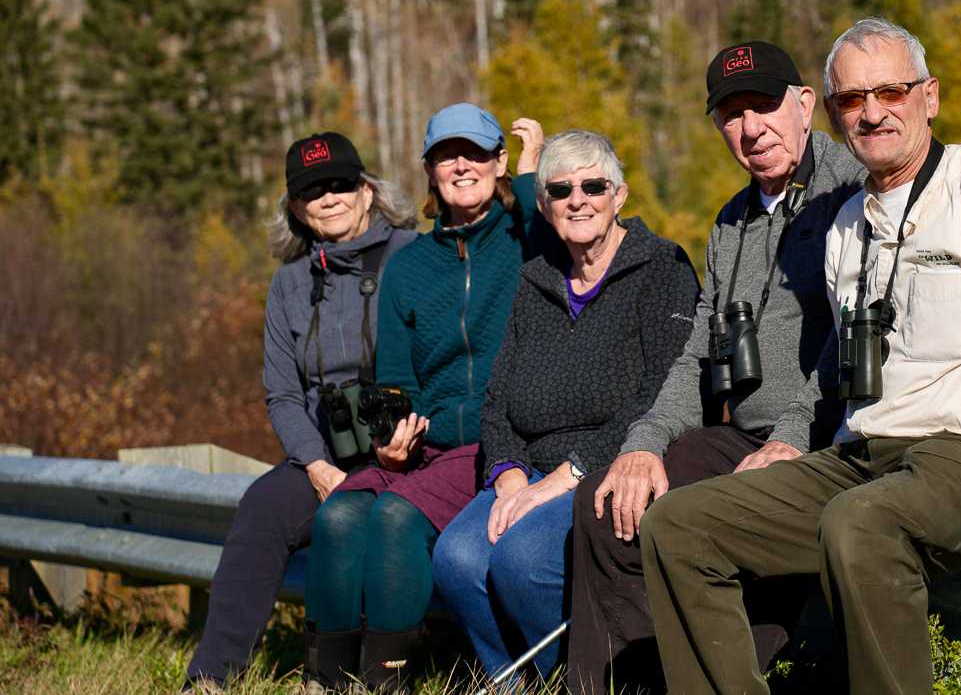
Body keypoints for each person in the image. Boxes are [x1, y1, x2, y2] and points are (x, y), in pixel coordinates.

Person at [639, 18, 961, 695]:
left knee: (859, 523)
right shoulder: (847, 226)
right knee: (679, 525)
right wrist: (792, 442)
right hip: (862, 457)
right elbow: (850, 360)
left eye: (890, 91)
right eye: (852, 99)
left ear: (928, 96)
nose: (871, 112)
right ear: (833, 115)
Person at [566, 42, 864, 694]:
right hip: (744, 435)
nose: (751, 128)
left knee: (715, 513)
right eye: (731, 114)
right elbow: (700, 352)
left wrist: (791, 436)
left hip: (825, 438)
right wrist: (644, 443)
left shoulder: (851, 190)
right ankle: (617, 684)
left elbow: (855, 340)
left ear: (805, 105)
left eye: (765, 104)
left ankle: (710, 677)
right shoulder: (731, 220)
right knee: (604, 499)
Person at [432, 130, 699, 685]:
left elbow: (663, 390)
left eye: (593, 185)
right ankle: (514, 681)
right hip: (528, 468)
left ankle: (583, 679)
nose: (578, 199)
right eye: (560, 189)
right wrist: (506, 475)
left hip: (611, 462)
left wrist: (563, 477)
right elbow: (499, 395)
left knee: (523, 561)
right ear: (544, 205)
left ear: (618, 195)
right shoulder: (536, 280)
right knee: (456, 557)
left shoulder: (661, 269)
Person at [301, 104, 552, 694]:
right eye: (445, 155)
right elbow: (392, 378)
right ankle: (326, 680)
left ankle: (387, 681)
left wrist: (529, 171)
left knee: (396, 517)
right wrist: (389, 440)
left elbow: (552, 223)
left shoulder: (525, 241)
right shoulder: (409, 267)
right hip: (425, 445)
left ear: (499, 161)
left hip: (495, 443)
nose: (460, 164)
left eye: (474, 152)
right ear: (430, 171)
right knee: (338, 513)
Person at [183, 133, 419, 692]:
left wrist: (406, 439)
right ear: (295, 208)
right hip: (326, 455)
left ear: (368, 193)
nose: (329, 197)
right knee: (261, 507)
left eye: (342, 184)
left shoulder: (415, 256)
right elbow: (283, 396)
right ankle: (211, 677)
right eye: (313, 191)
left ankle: (353, 673)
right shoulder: (289, 284)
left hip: (412, 445)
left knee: (374, 524)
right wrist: (314, 464)